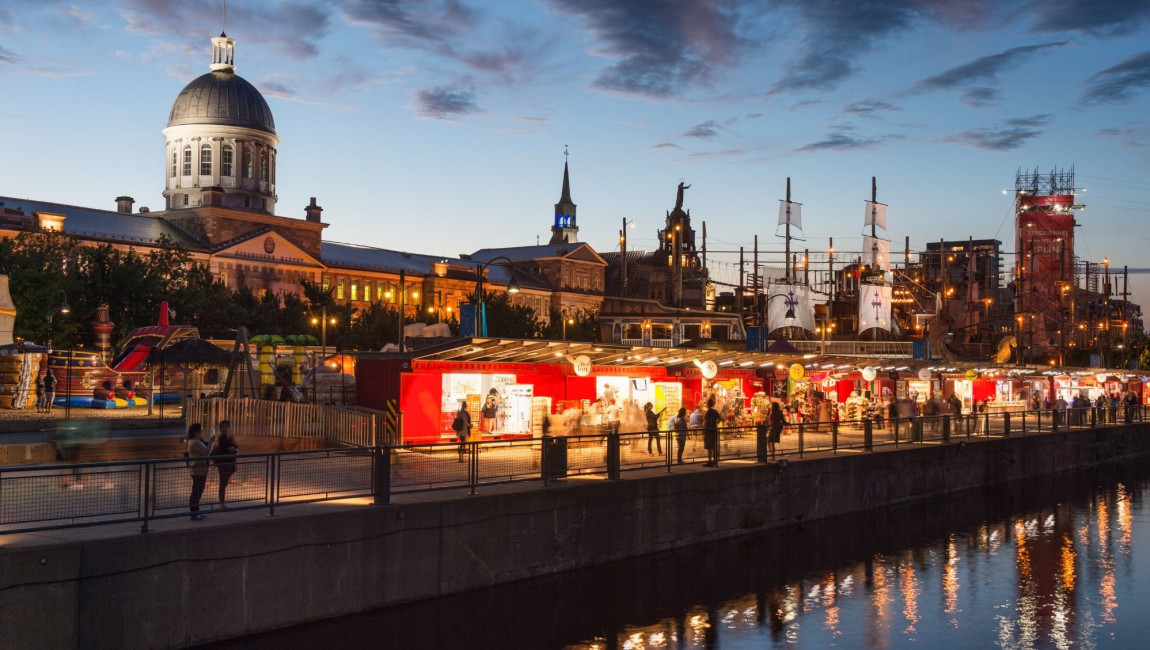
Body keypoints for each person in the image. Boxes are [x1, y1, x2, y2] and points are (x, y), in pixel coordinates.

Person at [186, 423, 216, 521]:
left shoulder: (196, 441)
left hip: (199, 469)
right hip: (198, 470)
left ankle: (196, 512)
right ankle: (194, 513)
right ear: (196, 432)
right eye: (201, 431)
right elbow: (207, 452)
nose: (202, 432)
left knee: (197, 491)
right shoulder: (195, 442)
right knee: (196, 492)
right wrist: (212, 441)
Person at [213, 420, 239, 508]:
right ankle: (221, 503)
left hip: (229, 462)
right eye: (223, 427)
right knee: (223, 483)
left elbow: (236, 447)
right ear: (220, 429)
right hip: (224, 463)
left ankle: (222, 502)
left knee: (224, 483)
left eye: (226, 427)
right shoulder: (221, 438)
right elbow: (222, 449)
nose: (225, 429)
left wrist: (234, 450)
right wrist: (231, 450)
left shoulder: (230, 437)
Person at [703, 396, 721, 467]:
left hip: (708, 431)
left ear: (707, 404)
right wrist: (715, 423)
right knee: (713, 446)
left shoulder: (708, 412)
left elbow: (705, 421)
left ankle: (709, 460)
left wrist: (704, 428)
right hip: (714, 430)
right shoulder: (715, 411)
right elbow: (719, 419)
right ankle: (714, 460)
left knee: (709, 447)